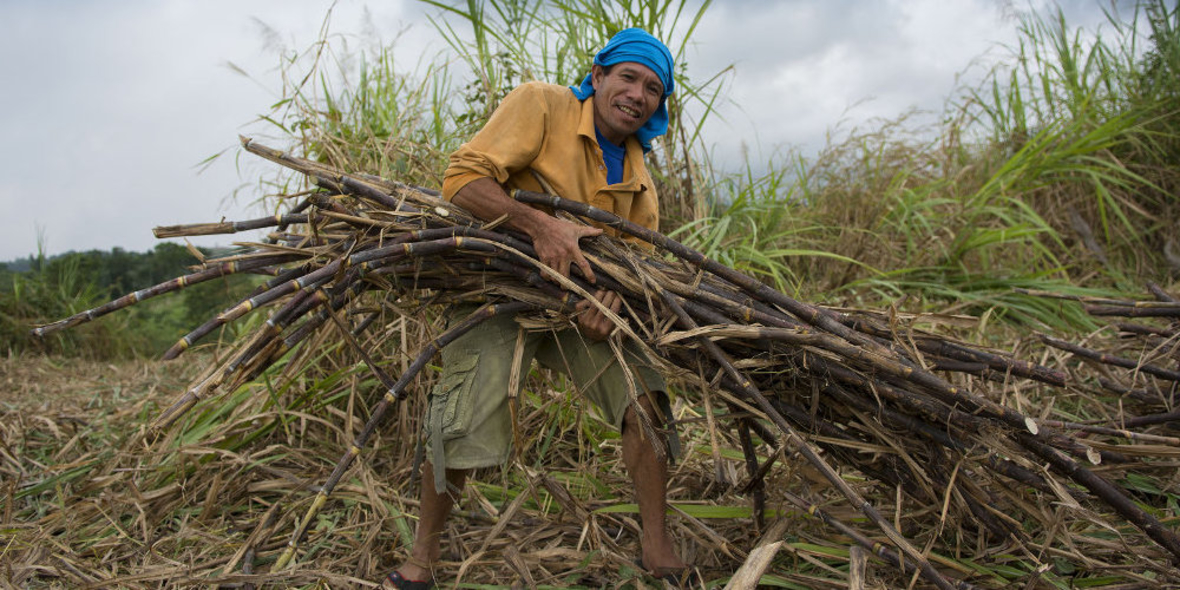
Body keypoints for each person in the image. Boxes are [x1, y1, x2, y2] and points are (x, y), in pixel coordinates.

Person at [384, 28, 691, 589]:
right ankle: (423, 557)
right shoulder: (542, 105)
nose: (637, 94)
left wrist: (611, 302)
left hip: (575, 315)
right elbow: (461, 180)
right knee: (463, 408)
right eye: (627, 76)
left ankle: (657, 541)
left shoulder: (641, 182)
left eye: (652, 88)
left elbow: (631, 268)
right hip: (497, 294)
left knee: (644, 397)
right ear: (597, 76)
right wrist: (538, 224)